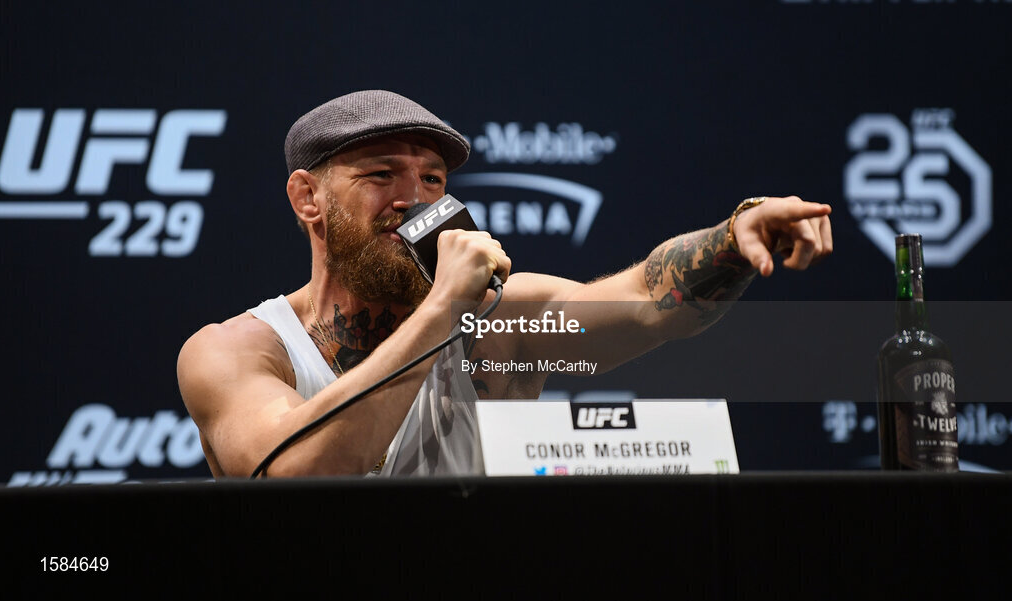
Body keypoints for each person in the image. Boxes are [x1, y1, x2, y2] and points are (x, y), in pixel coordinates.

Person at [177, 90, 832, 478]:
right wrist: (441, 310)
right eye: (380, 175)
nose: (413, 198)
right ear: (307, 197)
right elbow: (288, 471)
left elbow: (646, 304)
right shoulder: (238, 351)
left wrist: (732, 237)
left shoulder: (499, 322)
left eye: (432, 179)